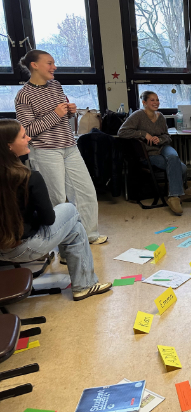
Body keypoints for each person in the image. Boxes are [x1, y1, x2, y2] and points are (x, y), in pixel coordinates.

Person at [0, 119, 112, 301]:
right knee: (69, 209)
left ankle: (84, 285)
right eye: (23, 136)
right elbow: (49, 219)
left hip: (2, 248)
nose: (29, 138)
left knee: (75, 229)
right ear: (9, 146)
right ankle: (84, 284)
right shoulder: (31, 177)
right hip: (24, 247)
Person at [14, 50, 107, 245]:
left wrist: (70, 112)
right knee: (56, 198)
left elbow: (62, 118)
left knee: (85, 192)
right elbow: (28, 130)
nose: (54, 67)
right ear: (34, 65)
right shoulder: (24, 95)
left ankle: (89, 235)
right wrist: (56, 114)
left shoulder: (56, 85)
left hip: (69, 147)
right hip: (46, 151)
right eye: (49, 63)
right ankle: (63, 244)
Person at [118, 91, 190, 216]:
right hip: (149, 153)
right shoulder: (138, 115)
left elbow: (167, 136)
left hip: (163, 147)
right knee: (182, 168)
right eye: (152, 100)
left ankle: (174, 196)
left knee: (173, 156)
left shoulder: (160, 116)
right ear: (144, 102)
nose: (156, 102)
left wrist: (160, 139)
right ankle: (176, 194)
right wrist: (143, 134)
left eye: (157, 100)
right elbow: (122, 132)